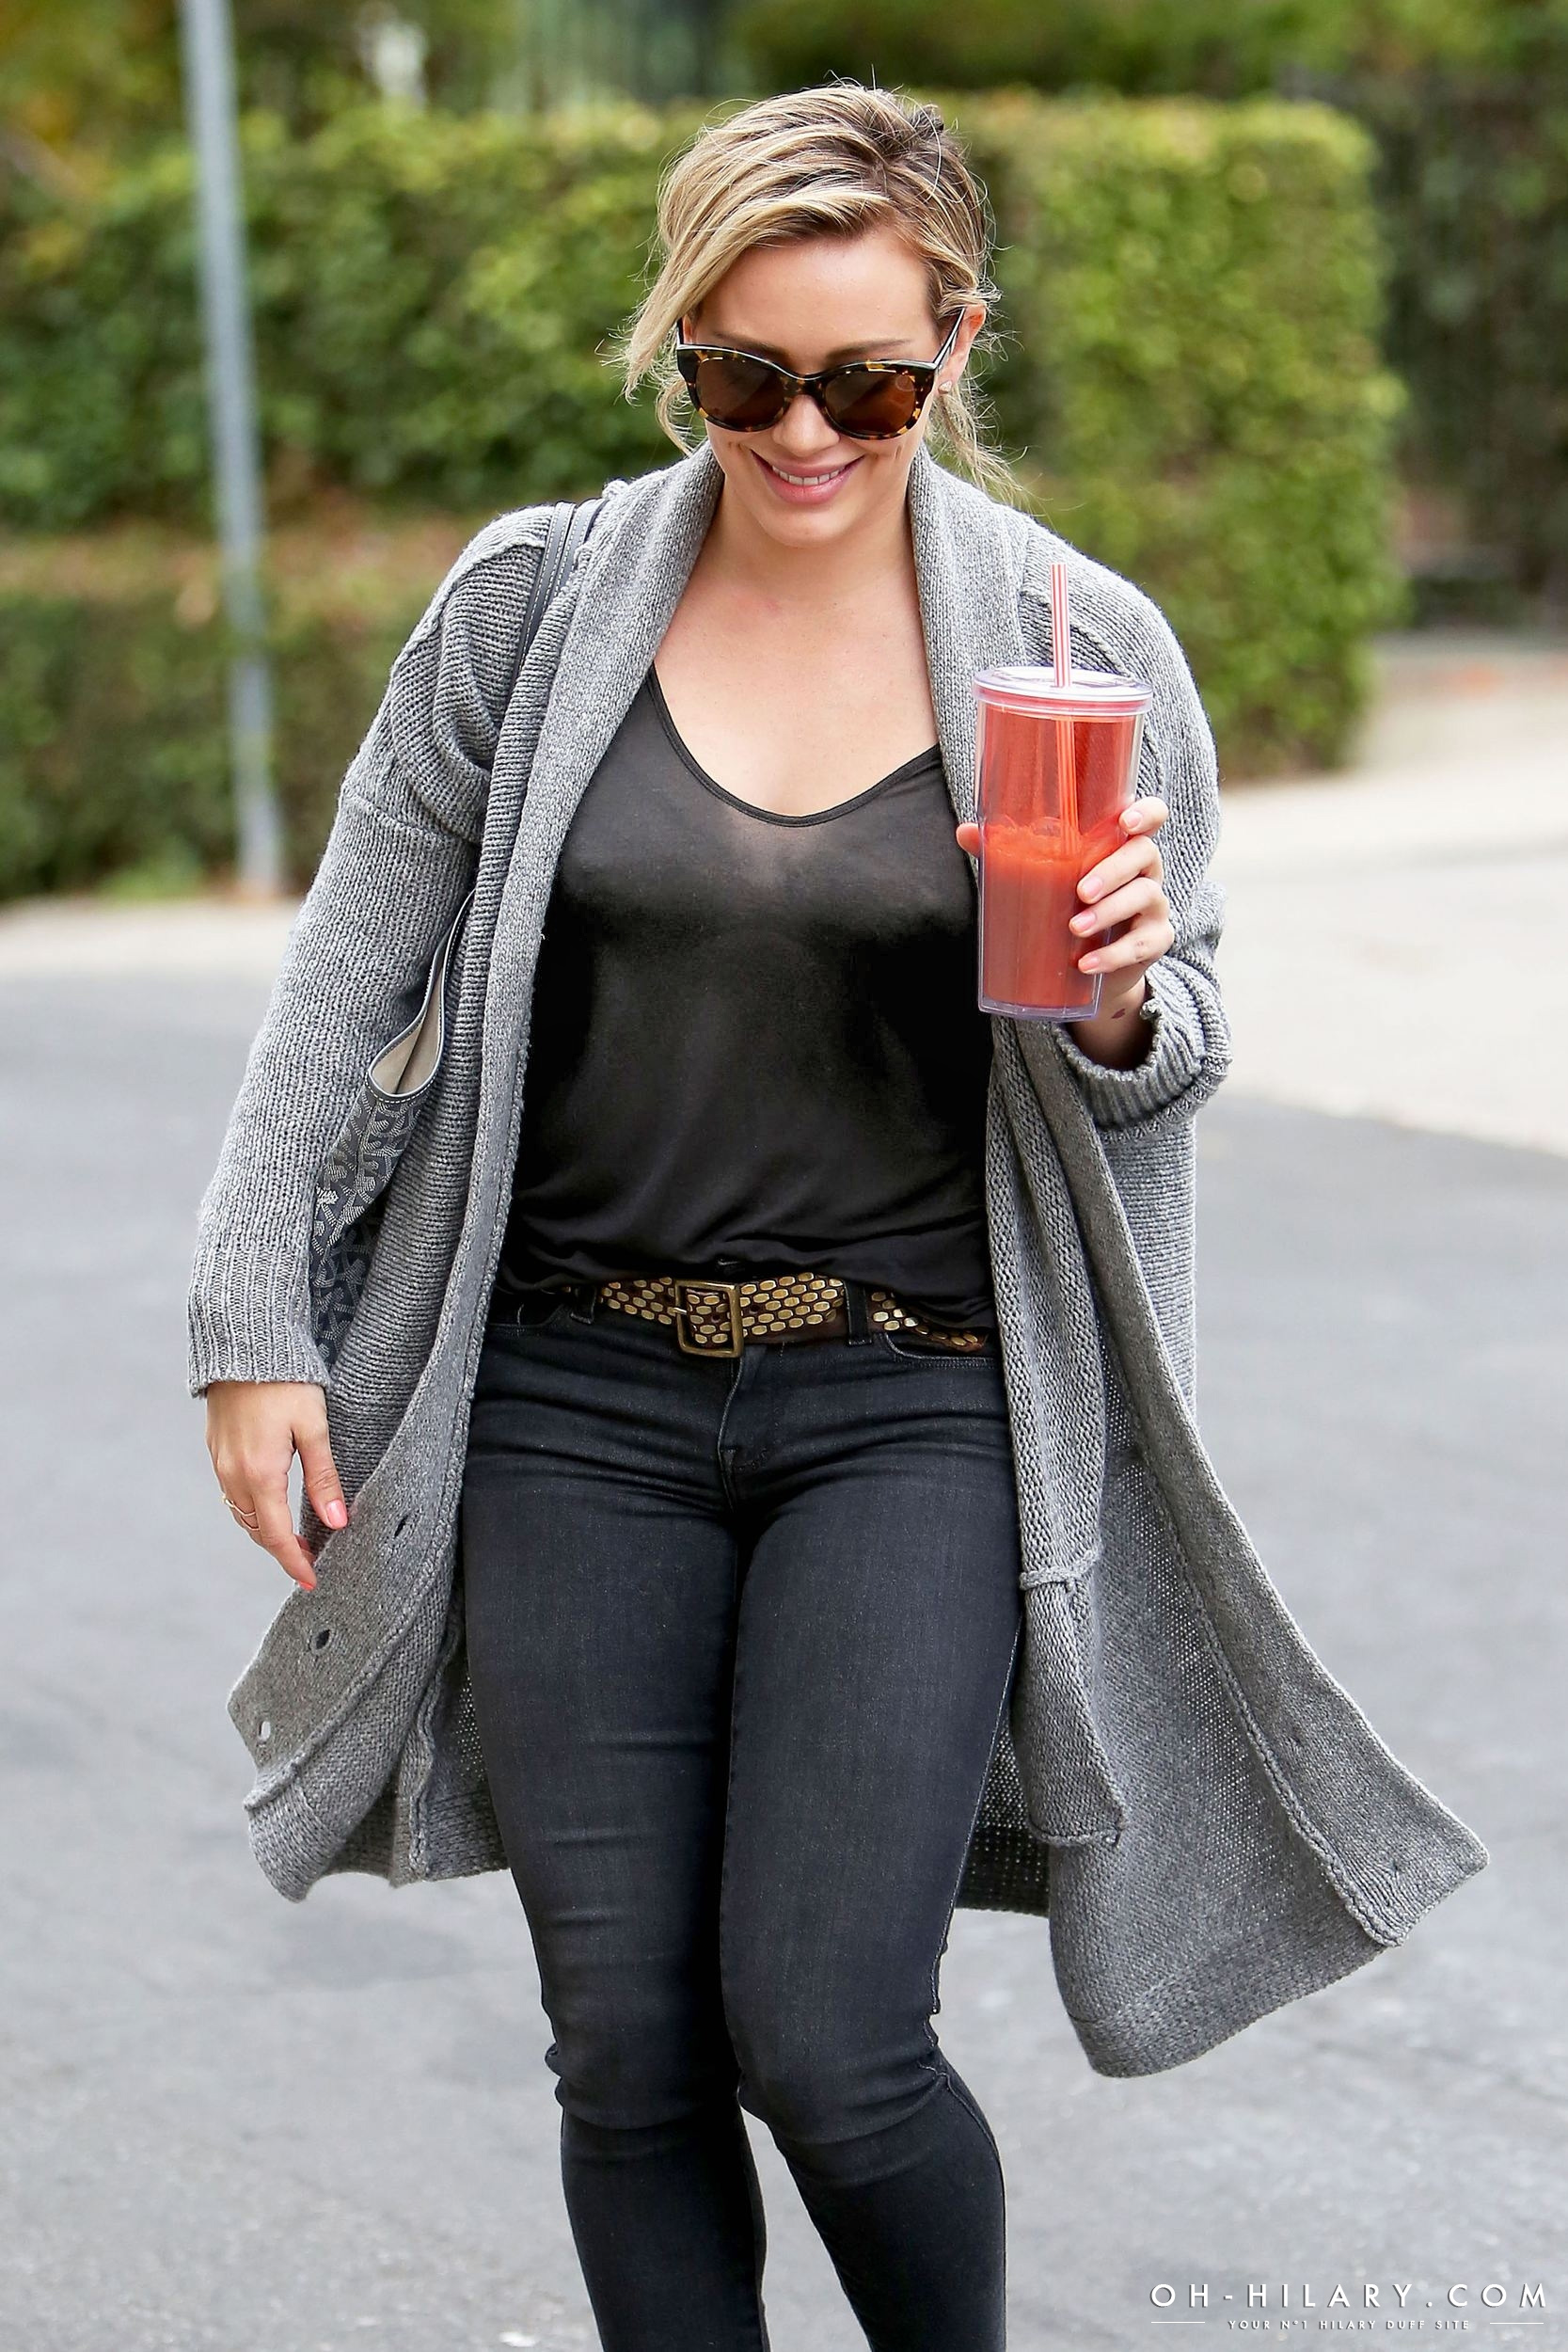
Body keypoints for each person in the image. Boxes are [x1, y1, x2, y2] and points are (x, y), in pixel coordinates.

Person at [192, 80, 1487, 2352]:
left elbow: (1176, 1047)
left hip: (912, 1406)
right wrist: (248, 1317)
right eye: (745, 375)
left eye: (869, 384)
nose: (805, 434)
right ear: (680, 343)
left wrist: (1120, 1000)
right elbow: (347, 968)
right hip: (574, 1395)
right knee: (626, 2042)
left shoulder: (1080, 650)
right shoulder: (534, 612)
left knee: (827, 2032)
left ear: (956, 345)